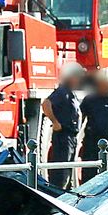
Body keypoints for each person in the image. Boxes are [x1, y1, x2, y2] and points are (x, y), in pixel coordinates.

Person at [42, 62, 84, 191]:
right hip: (63, 136)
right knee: (61, 173)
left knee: (68, 170)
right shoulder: (61, 92)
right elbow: (46, 104)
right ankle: (58, 195)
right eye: (77, 77)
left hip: (70, 138)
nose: (79, 80)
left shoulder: (70, 93)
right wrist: (55, 122)